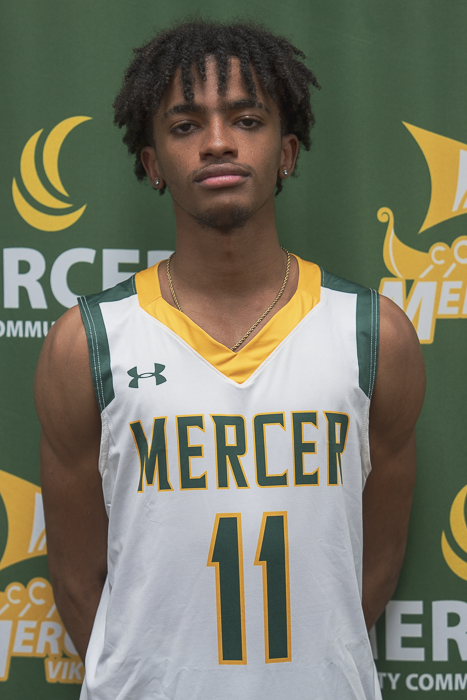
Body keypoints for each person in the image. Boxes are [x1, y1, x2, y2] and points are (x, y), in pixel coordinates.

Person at [34, 19, 425, 700]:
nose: (218, 142)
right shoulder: (87, 343)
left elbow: (375, 563)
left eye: (246, 119)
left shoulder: (373, 335)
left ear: (287, 152)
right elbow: (76, 577)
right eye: (185, 126)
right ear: (153, 164)